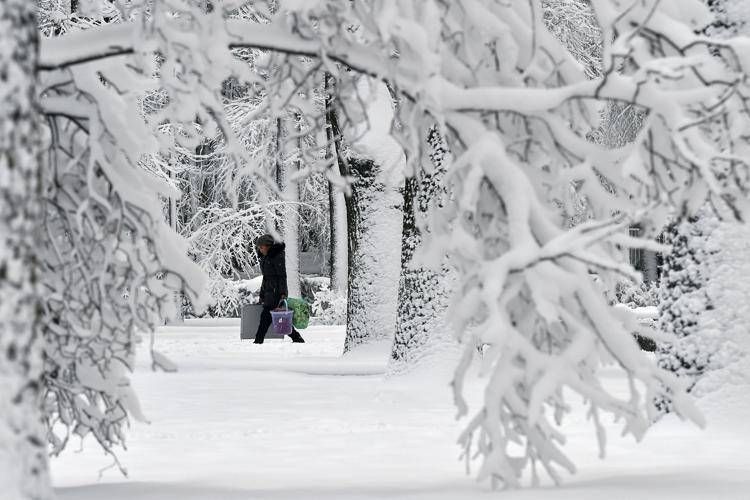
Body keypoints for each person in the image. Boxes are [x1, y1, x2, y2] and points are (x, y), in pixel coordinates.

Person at [254, 234, 305, 344]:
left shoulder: (276, 256)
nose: (260, 249)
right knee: (277, 318)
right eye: (259, 247)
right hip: (269, 292)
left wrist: (282, 293)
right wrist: (262, 295)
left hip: (276, 293)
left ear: (268, 246)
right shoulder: (265, 258)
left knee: (266, 317)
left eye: (261, 247)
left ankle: (258, 341)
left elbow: (282, 276)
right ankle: (297, 338)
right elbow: (266, 278)